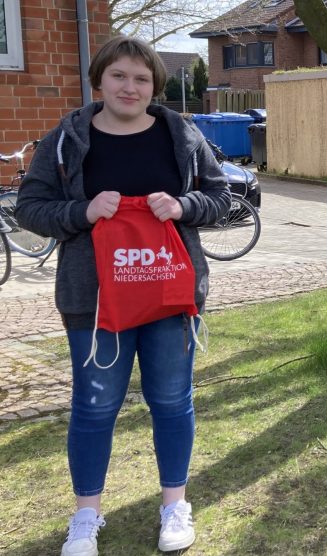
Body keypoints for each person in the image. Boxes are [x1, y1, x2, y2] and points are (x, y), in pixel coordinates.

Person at [15, 36, 229, 556]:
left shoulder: (182, 134)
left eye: (141, 78)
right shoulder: (65, 139)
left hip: (171, 295)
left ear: (154, 85)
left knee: (172, 401)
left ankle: (174, 505)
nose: (129, 87)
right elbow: (29, 208)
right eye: (119, 76)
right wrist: (80, 213)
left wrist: (183, 206)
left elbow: (222, 197)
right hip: (93, 300)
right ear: (99, 80)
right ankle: (86, 515)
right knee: (94, 406)